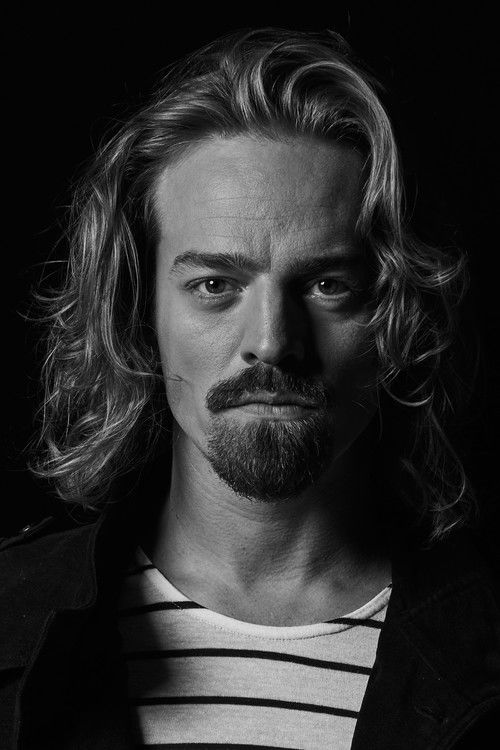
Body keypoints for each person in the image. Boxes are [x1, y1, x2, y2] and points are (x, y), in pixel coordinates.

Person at [1, 28, 498, 749]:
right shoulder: (10, 622)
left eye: (328, 285)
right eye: (215, 285)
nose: (271, 341)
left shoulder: (484, 647)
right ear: (138, 314)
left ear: (399, 315)